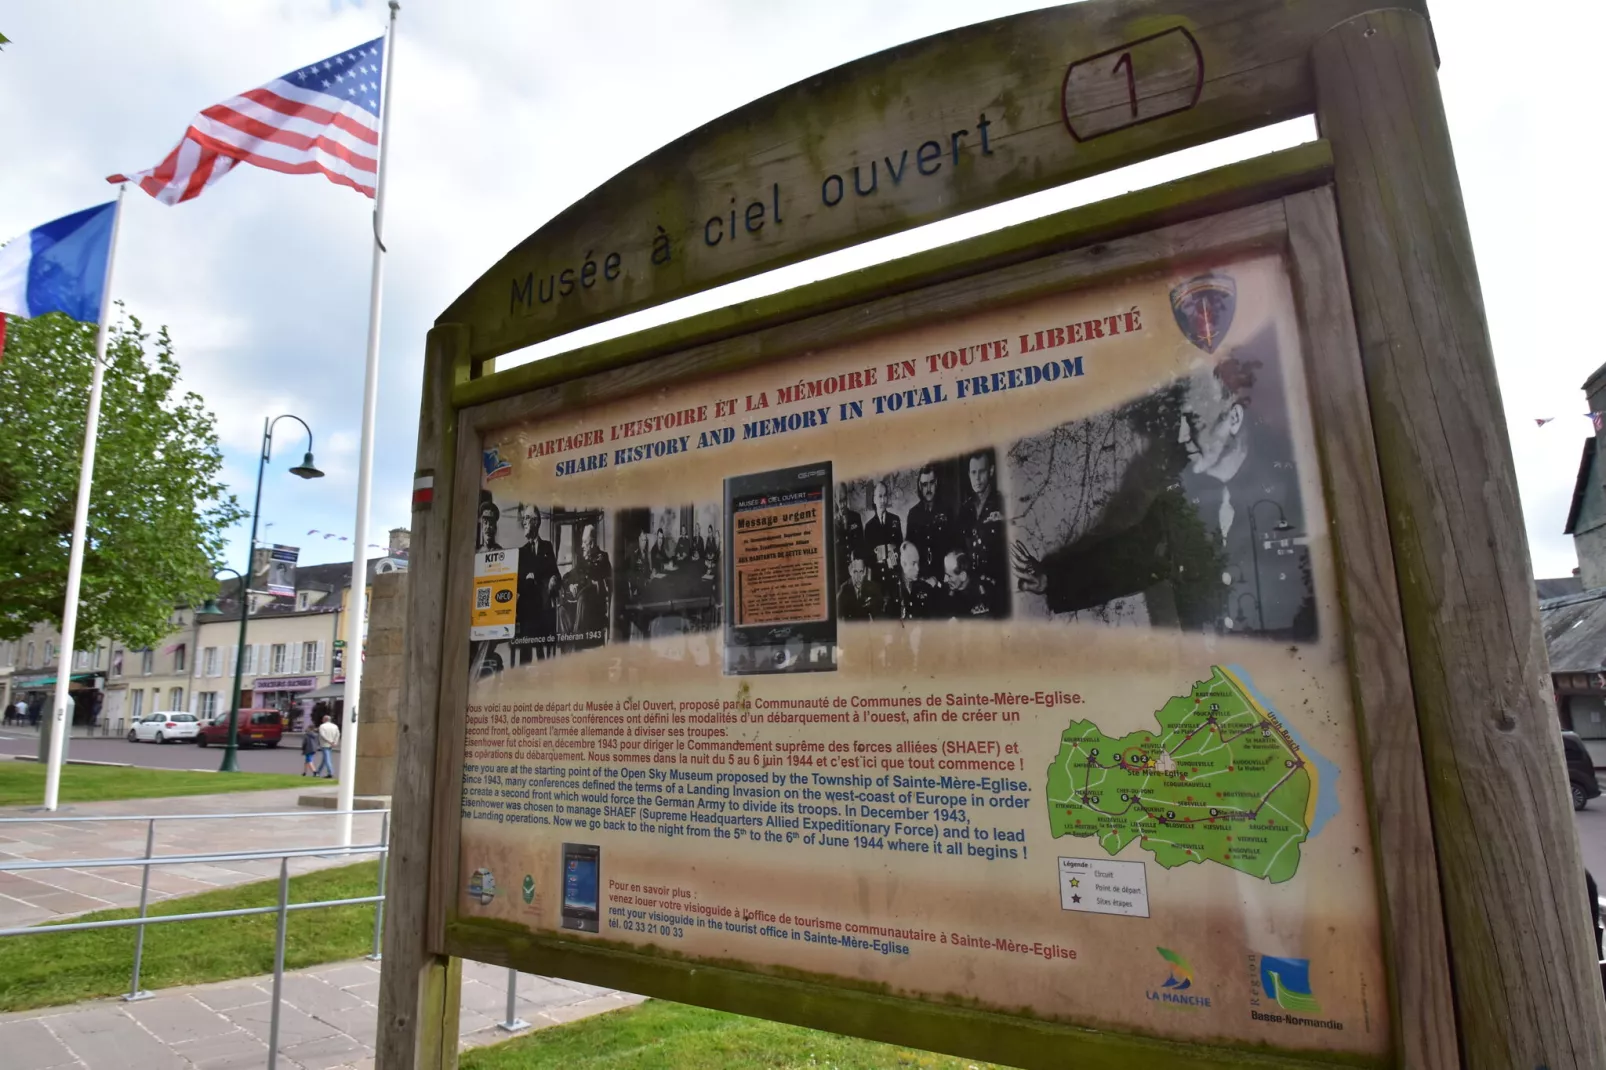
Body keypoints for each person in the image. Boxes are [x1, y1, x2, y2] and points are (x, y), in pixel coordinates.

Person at [1012, 354, 1314, 639]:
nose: (1182, 437)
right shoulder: (1181, 501)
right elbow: (1128, 559)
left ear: (1234, 418)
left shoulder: (1297, 491)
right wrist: (1053, 580)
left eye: (1193, 422)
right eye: (1181, 423)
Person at [514, 506, 559, 663]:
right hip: (528, 611)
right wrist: (528, 580)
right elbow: (518, 585)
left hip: (544, 607)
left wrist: (553, 578)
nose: (524, 522)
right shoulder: (521, 552)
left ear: (536, 522)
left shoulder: (547, 547)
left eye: (527, 518)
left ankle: (544, 670)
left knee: (544, 624)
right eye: (524, 519)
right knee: (528, 633)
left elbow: (555, 574)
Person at [957, 451, 1006, 596]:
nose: (977, 478)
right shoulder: (965, 509)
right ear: (969, 475)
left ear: (990, 471)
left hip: (998, 586)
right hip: (972, 588)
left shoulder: (1002, 503)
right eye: (973, 473)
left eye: (981, 472)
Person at [561, 523, 613, 642]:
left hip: (595, 610)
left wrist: (580, 580)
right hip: (579, 607)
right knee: (561, 609)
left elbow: (594, 575)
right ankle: (570, 640)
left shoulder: (603, 558)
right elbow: (568, 576)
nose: (582, 546)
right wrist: (571, 584)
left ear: (592, 543)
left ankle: (575, 637)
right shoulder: (583, 560)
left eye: (585, 542)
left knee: (583, 597)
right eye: (582, 542)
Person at [905, 466, 950, 581]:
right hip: (921, 577)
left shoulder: (947, 510)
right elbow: (909, 550)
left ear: (937, 483)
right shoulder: (913, 514)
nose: (928, 489)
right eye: (924, 485)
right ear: (920, 486)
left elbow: (954, 545)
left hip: (943, 577)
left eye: (931, 483)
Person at [862, 481, 903, 587]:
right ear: (874, 499)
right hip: (878, 580)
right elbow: (867, 559)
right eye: (879, 496)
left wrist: (893, 549)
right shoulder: (869, 527)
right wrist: (879, 551)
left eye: (885, 496)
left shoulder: (895, 520)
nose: (882, 500)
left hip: (894, 577)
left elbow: (901, 547)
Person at [892, 542, 938, 620]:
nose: (917, 568)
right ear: (903, 564)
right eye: (913, 563)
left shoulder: (922, 586)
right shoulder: (894, 589)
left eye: (918, 563)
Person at [836, 551, 885, 621]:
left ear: (865, 571)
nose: (858, 577)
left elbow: (879, 611)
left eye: (861, 572)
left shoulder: (874, 588)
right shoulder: (843, 590)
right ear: (850, 571)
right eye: (855, 572)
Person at [314, 714, 340, 779]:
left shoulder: (322, 726)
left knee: (327, 759)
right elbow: (338, 734)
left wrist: (329, 741)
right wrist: (335, 742)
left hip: (325, 744)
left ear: (325, 719)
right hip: (331, 744)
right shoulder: (335, 726)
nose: (322, 720)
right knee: (325, 758)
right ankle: (318, 771)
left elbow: (322, 735)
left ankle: (330, 773)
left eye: (323, 719)